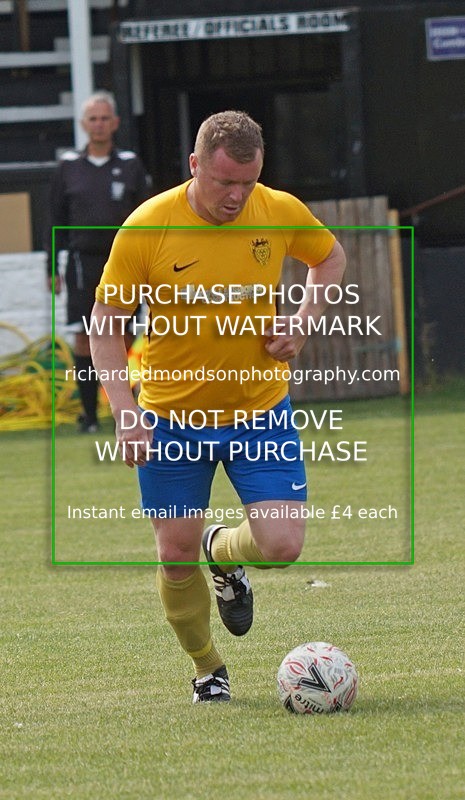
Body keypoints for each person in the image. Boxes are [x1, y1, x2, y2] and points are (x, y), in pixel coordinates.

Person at [90, 110, 346, 702]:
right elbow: (105, 328)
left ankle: (221, 551)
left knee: (283, 546)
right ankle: (208, 667)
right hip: (172, 419)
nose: (236, 196)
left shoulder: (278, 209)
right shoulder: (147, 227)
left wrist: (303, 323)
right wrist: (126, 413)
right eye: (223, 182)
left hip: (258, 409)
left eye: (247, 183)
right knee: (173, 555)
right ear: (195, 166)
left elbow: (328, 258)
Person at [46, 90, 151, 432]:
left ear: (116, 123)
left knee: (121, 336)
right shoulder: (67, 167)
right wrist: (51, 269)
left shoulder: (131, 164)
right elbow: (54, 220)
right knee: (83, 336)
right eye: (93, 118)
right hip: (81, 262)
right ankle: (89, 417)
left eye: (105, 118)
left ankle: (127, 407)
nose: (99, 124)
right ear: (83, 124)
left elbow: (146, 216)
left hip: (124, 261)